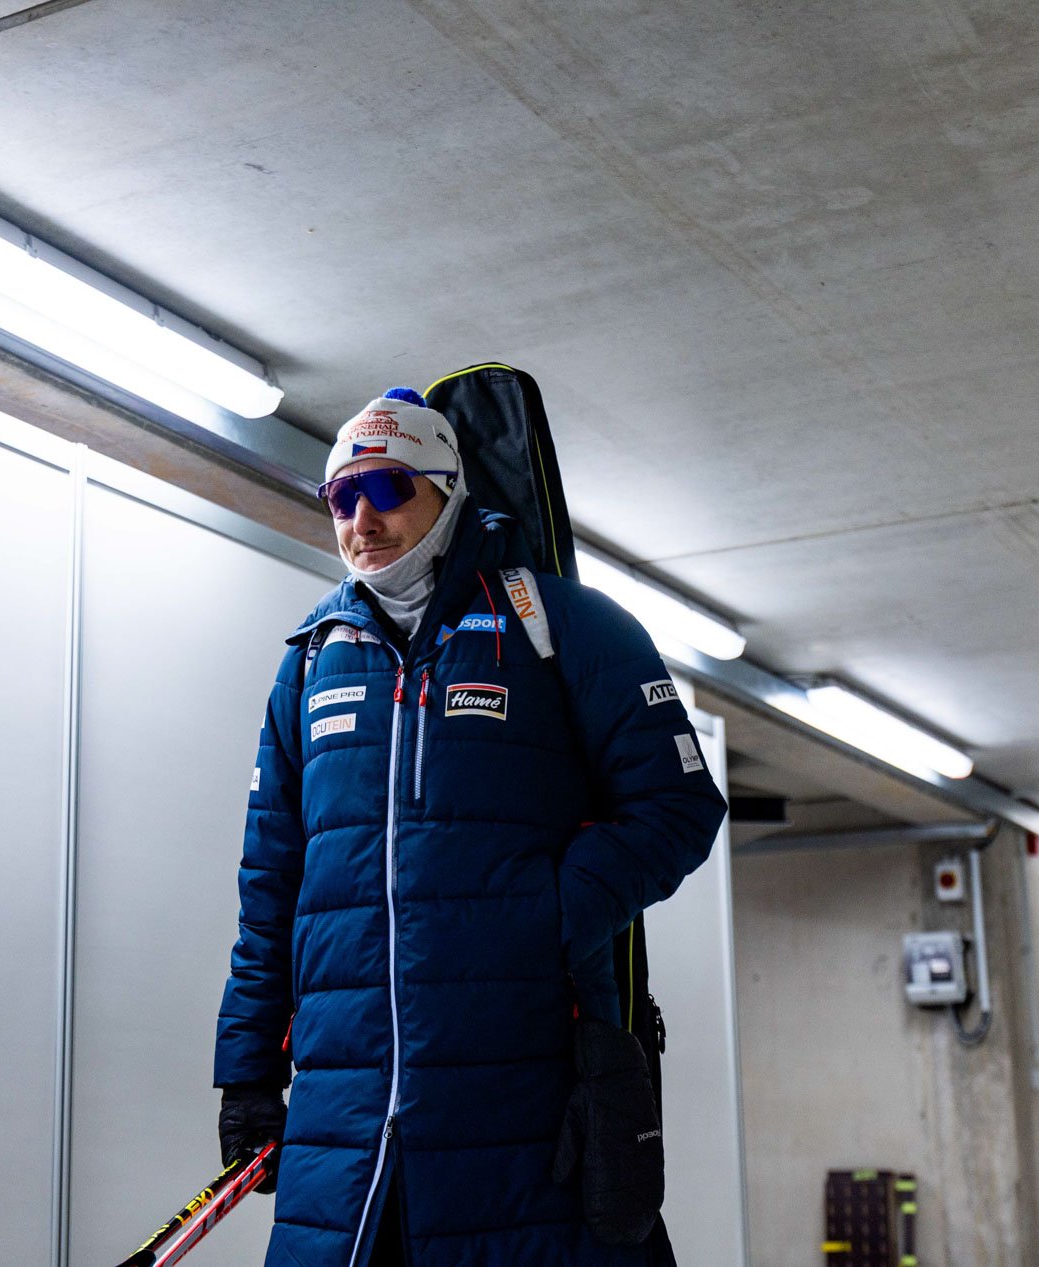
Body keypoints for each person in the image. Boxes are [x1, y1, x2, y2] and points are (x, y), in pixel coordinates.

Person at [214, 388, 727, 1266]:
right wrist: (247, 1070)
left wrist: (549, 911)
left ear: (448, 491)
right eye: (341, 496)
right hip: (345, 1128)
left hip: (523, 1106)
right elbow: (271, 889)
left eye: (388, 488)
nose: (361, 519)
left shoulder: (561, 625)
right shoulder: (310, 662)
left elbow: (679, 804)